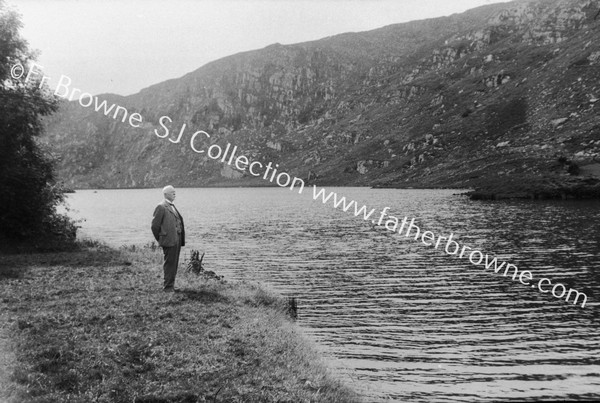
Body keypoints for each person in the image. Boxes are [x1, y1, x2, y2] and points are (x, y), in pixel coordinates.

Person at [151, 185, 185, 292]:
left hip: (176, 239)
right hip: (169, 240)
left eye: (175, 192)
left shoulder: (172, 206)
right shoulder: (161, 207)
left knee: (174, 263)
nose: (174, 194)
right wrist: (162, 238)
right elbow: (155, 226)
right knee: (169, 263)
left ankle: (171, 285)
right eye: (172, 192)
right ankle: (168, 287)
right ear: (166, 194)